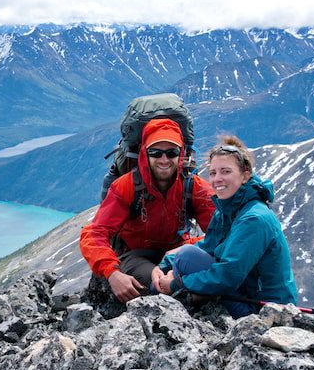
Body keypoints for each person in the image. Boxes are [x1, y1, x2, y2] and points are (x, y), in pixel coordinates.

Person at [152, 135, 297, 317]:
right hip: (242, 293)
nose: (217, 179)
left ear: (245, 175)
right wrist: (162, 267)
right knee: (175, 264)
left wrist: (176, 284)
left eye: (226, 172)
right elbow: (207, 247)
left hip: (262, 310)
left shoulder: (254, 219)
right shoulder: (228, 210)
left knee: (185, 257)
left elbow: (228, 276)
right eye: (213, 173)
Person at [80, 117, 215, 306]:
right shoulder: (126, 186)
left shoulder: (193, 187)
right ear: (145, 153)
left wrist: (185, 248)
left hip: (176, 253)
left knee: (201, 274)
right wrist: (112, 273)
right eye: (156, 152)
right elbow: (95, 233)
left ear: (181, 153)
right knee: (156, 285)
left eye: (172, 152)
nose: (164, 160)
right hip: (136, 255)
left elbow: (222, 232)